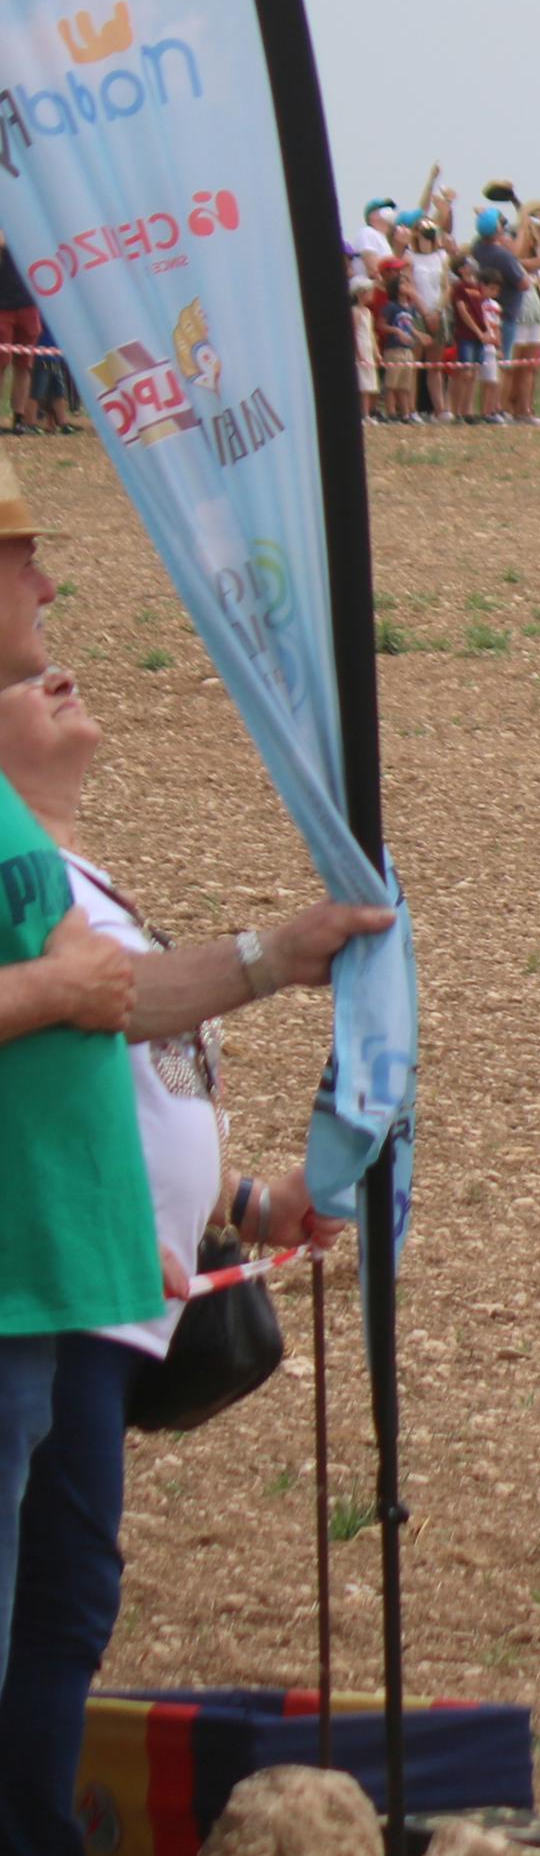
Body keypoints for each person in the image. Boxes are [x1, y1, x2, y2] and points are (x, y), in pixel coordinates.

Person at [0, 662, 387, 1856]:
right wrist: (273, 953)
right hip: (56, 1284)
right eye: (16, 673)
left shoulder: (61, 869)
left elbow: (122, 1075)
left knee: (60, 1601)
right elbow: (83, 1046)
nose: (53, 659)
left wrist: (240, 1200)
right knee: (49, 1608)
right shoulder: (29, 879)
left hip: (92, 1278)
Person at [0, 450, 161, 1716]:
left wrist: (283, 952)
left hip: (53, 1273)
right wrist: (51, 994)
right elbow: (82, 1001)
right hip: (20, 1281)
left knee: (47, 1614)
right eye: (21, 557)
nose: (47, 581)